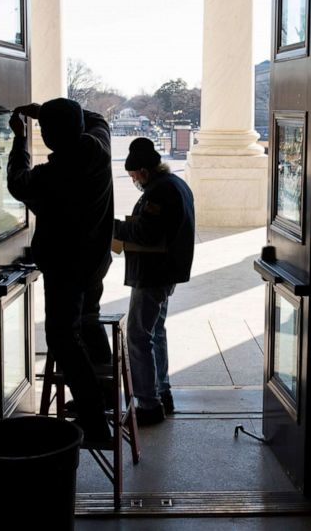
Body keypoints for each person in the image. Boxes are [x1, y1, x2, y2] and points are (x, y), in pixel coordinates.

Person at [7, 98, 114, 442]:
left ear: (50, 136)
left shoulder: (51, 176)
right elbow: (97, 119)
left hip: (64, 268)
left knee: (62, 337)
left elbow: (16, 181)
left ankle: (94, 418)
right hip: (95, 261)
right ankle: (104, 395)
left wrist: (20, 139)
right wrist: (47, 113)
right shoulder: (99, 148)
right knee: (86, 321)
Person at [114, 137, 195, 426]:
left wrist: (113, 228)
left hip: (153, 273)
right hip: (165, 271)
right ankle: (162, 392)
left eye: (134, 176)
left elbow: (147, 234)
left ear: (144, 172)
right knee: (155, 331)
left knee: (137, 334)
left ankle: (148, 404)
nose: (133, 180)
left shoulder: (159, 192)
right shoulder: (175, 184)